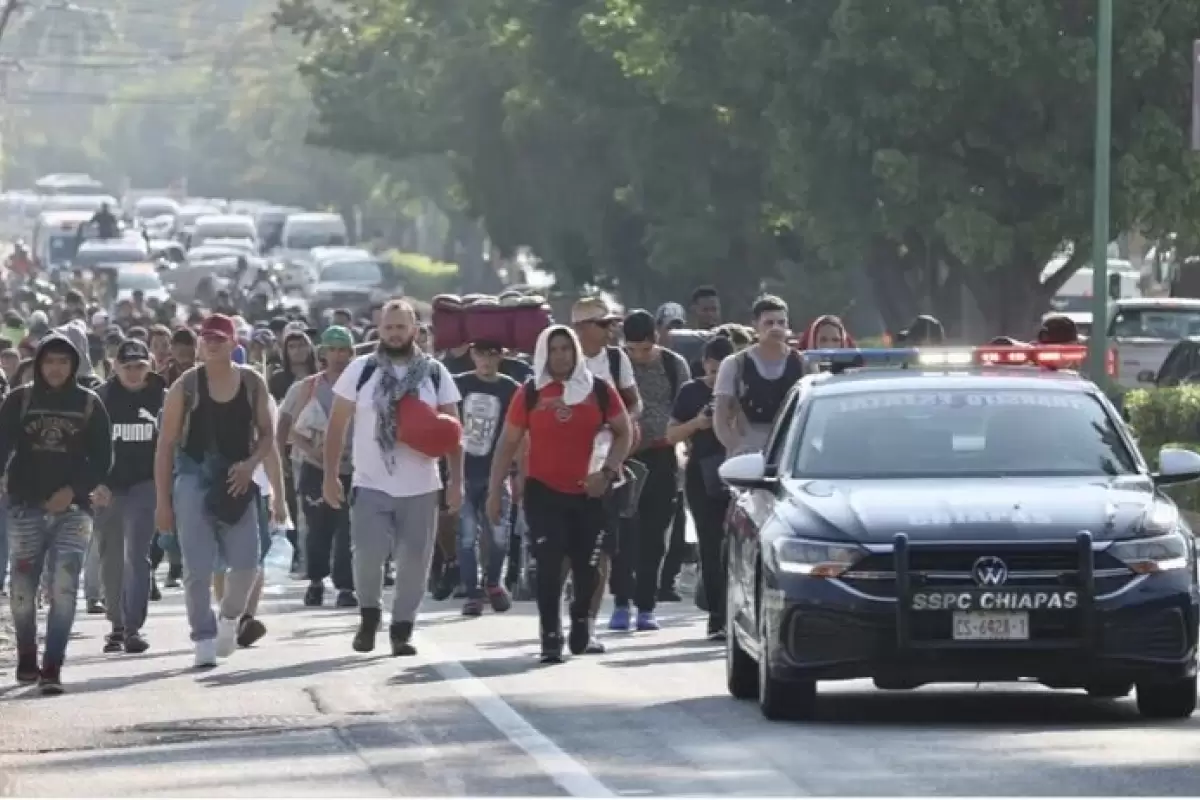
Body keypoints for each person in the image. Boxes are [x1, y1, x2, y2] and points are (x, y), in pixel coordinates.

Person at [323, 299, 463, 657]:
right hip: (370, 482)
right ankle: (369, 616)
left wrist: (456, 481)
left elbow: (453, 431)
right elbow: (337, 425)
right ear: (379, 330)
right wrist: (330, 475)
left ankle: (402, 629)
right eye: (388, 327)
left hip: (421, 485)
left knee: (415, 562)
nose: (395, 333)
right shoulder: (362, 370)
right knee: (368, 555)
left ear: (414, 330)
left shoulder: (434, 373)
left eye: (401, 327)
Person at [486, 325, 632, 662]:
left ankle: (581, 618)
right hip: (544, 492)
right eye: (554, 349)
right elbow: (507, 444)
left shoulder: (599, 391)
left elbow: (625, 433)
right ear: (544, 354)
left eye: (567, 348)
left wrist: (607, 472)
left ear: (576, 352)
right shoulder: (531, 393)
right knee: (549, 566)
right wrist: (495, 491)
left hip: (590, 494)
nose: (561, 355)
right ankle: (550, 634)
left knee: (587, 567)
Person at [153, 313, 284, 667]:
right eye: (206, 338)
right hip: (193, 478)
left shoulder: (252, 382)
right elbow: (165, 446)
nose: (212, 344)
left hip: (238, 477)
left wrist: (251, 465)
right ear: (199, 344)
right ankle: (203, 637)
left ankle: (229, 619)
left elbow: (267, 435)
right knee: (196, 568)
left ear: (233, 343)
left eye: (219, 339)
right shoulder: (186, 385)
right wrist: (163, 503)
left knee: (247, 563)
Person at [0, 330, 113, 693]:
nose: (56, 368)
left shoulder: (90, 403)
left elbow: (102, 459)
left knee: (64, 588)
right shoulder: (19, 401)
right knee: (22, 589)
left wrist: (75, 491)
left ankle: (53, 666)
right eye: (49, 360)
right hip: (24, 508)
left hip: (74, 511)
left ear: (74, 364)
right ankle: (27, 655)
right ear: (39, 363)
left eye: (63, 361)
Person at [608, 310, 689, 632]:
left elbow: (685, 409)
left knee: (655, 536)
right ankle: (620, 602)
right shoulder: (615, 365)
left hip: (662, 457)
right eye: (633, 350)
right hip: (625, 459)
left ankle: (646, 605)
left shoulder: (673, 365)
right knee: (623, 534)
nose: (639, 357)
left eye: (645, 349)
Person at [92, 340, 166, 654]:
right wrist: (96, 482)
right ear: (115, 366)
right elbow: (87, 444)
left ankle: (134, 627)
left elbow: (170, 444)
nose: (134, 373)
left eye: (140, 366)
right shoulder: (101, 399)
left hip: (145, 483)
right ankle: (117, 625)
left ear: (150, 365)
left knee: (138, 553)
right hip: (109, 485)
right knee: (111, 556)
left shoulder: (162, 397)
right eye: (127, 367)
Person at [280, 326, 357, 608]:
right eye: (332, 350)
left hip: (353, 467)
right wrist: (303, 450)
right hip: (314, 467)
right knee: (317, 529)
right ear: (323, 352)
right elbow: (286, 425)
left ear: (351, 353)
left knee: (348, 529)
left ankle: (346, 586)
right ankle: (315, 581)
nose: (338, 356)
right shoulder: (308, 387)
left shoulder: (361, 384)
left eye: (343, 350)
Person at [667, 335, 734, 640]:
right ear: (705, 363)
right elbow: (671, 435)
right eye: (714, 367)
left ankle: (735, 613)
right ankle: (717, 616)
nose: (718, 374)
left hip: (737, 470)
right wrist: (697, 423)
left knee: (734, 545)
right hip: (701, 473)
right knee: (709, 544)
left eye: (725, 367)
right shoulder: (691, 391)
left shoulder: (740, 387)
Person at [453, 339, 519, 616]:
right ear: (472, 354)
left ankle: (493, 581)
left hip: (496, 473)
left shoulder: (510, 389)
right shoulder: (458, 385)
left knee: (500, 535)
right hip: (464, 472)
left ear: (501, 356)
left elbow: (518, 432)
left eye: (493, 354)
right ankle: (472, 592)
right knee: (467, 537)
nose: (486, 361)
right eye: (481, 354)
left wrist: (516, 470)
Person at [713, 295, 807, 456]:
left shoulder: (803, 363)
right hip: (747, 452)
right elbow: (720, 418)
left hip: (791, 451)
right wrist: (736, 448)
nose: (776, 328)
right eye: (769, 323)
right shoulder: (735, 364)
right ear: (755, 325)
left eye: (781, 322)